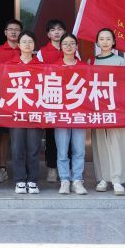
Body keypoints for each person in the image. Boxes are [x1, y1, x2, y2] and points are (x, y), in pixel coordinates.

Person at [90, 28, 125, 196]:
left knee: (115, 143)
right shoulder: (91, 62)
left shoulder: (119, 61)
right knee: (100, 144)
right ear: (97, 42)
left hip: (115, 108)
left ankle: (117, 178)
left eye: (108, 39)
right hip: (98, 108)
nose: (104, 41)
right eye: (101, 38)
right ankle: (103, 178)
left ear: (113, 42)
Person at [8, 31, 43, 194]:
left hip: (35, 113)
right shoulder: (9, 65)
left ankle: (33, 180)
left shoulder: (41, 66)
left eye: (30, 41)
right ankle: (20, 180)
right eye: (24, 41)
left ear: (34, 45)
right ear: (19, 45)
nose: (27, 44)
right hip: (16, 114)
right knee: (17, 148)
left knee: (33, 148)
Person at [0, 18, 23, 184]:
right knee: (4, 135)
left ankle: (22, 170)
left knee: (22, 135)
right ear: (5, 32)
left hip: (24, 98)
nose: (14, 32)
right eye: (11, 29)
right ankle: (2, 169)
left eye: (17, 29)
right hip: (5, 98)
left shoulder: (28, 48)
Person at [54, 33, 88, 195]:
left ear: (76, 47)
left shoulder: (84, 67)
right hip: (61, 115)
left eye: (72, 43)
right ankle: (64, 180)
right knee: (62, 151)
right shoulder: (54, 67)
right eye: (65, 43)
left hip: (79, 115)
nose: (69, 46)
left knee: (79, 150)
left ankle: (77, 180)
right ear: (60, 47)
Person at [36, 19, 67, 184]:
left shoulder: (72, 49)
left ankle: (66, 170)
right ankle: (52, 169)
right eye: (53, 30)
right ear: (48, 34)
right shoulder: (42, 52)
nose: (57, 32)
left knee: (67, 135)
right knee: (51, 137)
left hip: (70, 100)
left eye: (60, 29)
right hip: (50, 98)